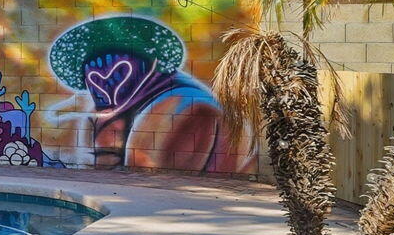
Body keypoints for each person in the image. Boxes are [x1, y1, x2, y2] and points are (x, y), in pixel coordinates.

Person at [46, 15, 250, 174]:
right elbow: (98, 167)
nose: (105, 82)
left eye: (118, 70)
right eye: (95, 77)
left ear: (151, 63)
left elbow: (146, 178)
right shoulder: (107, 111)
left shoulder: (181, 104)